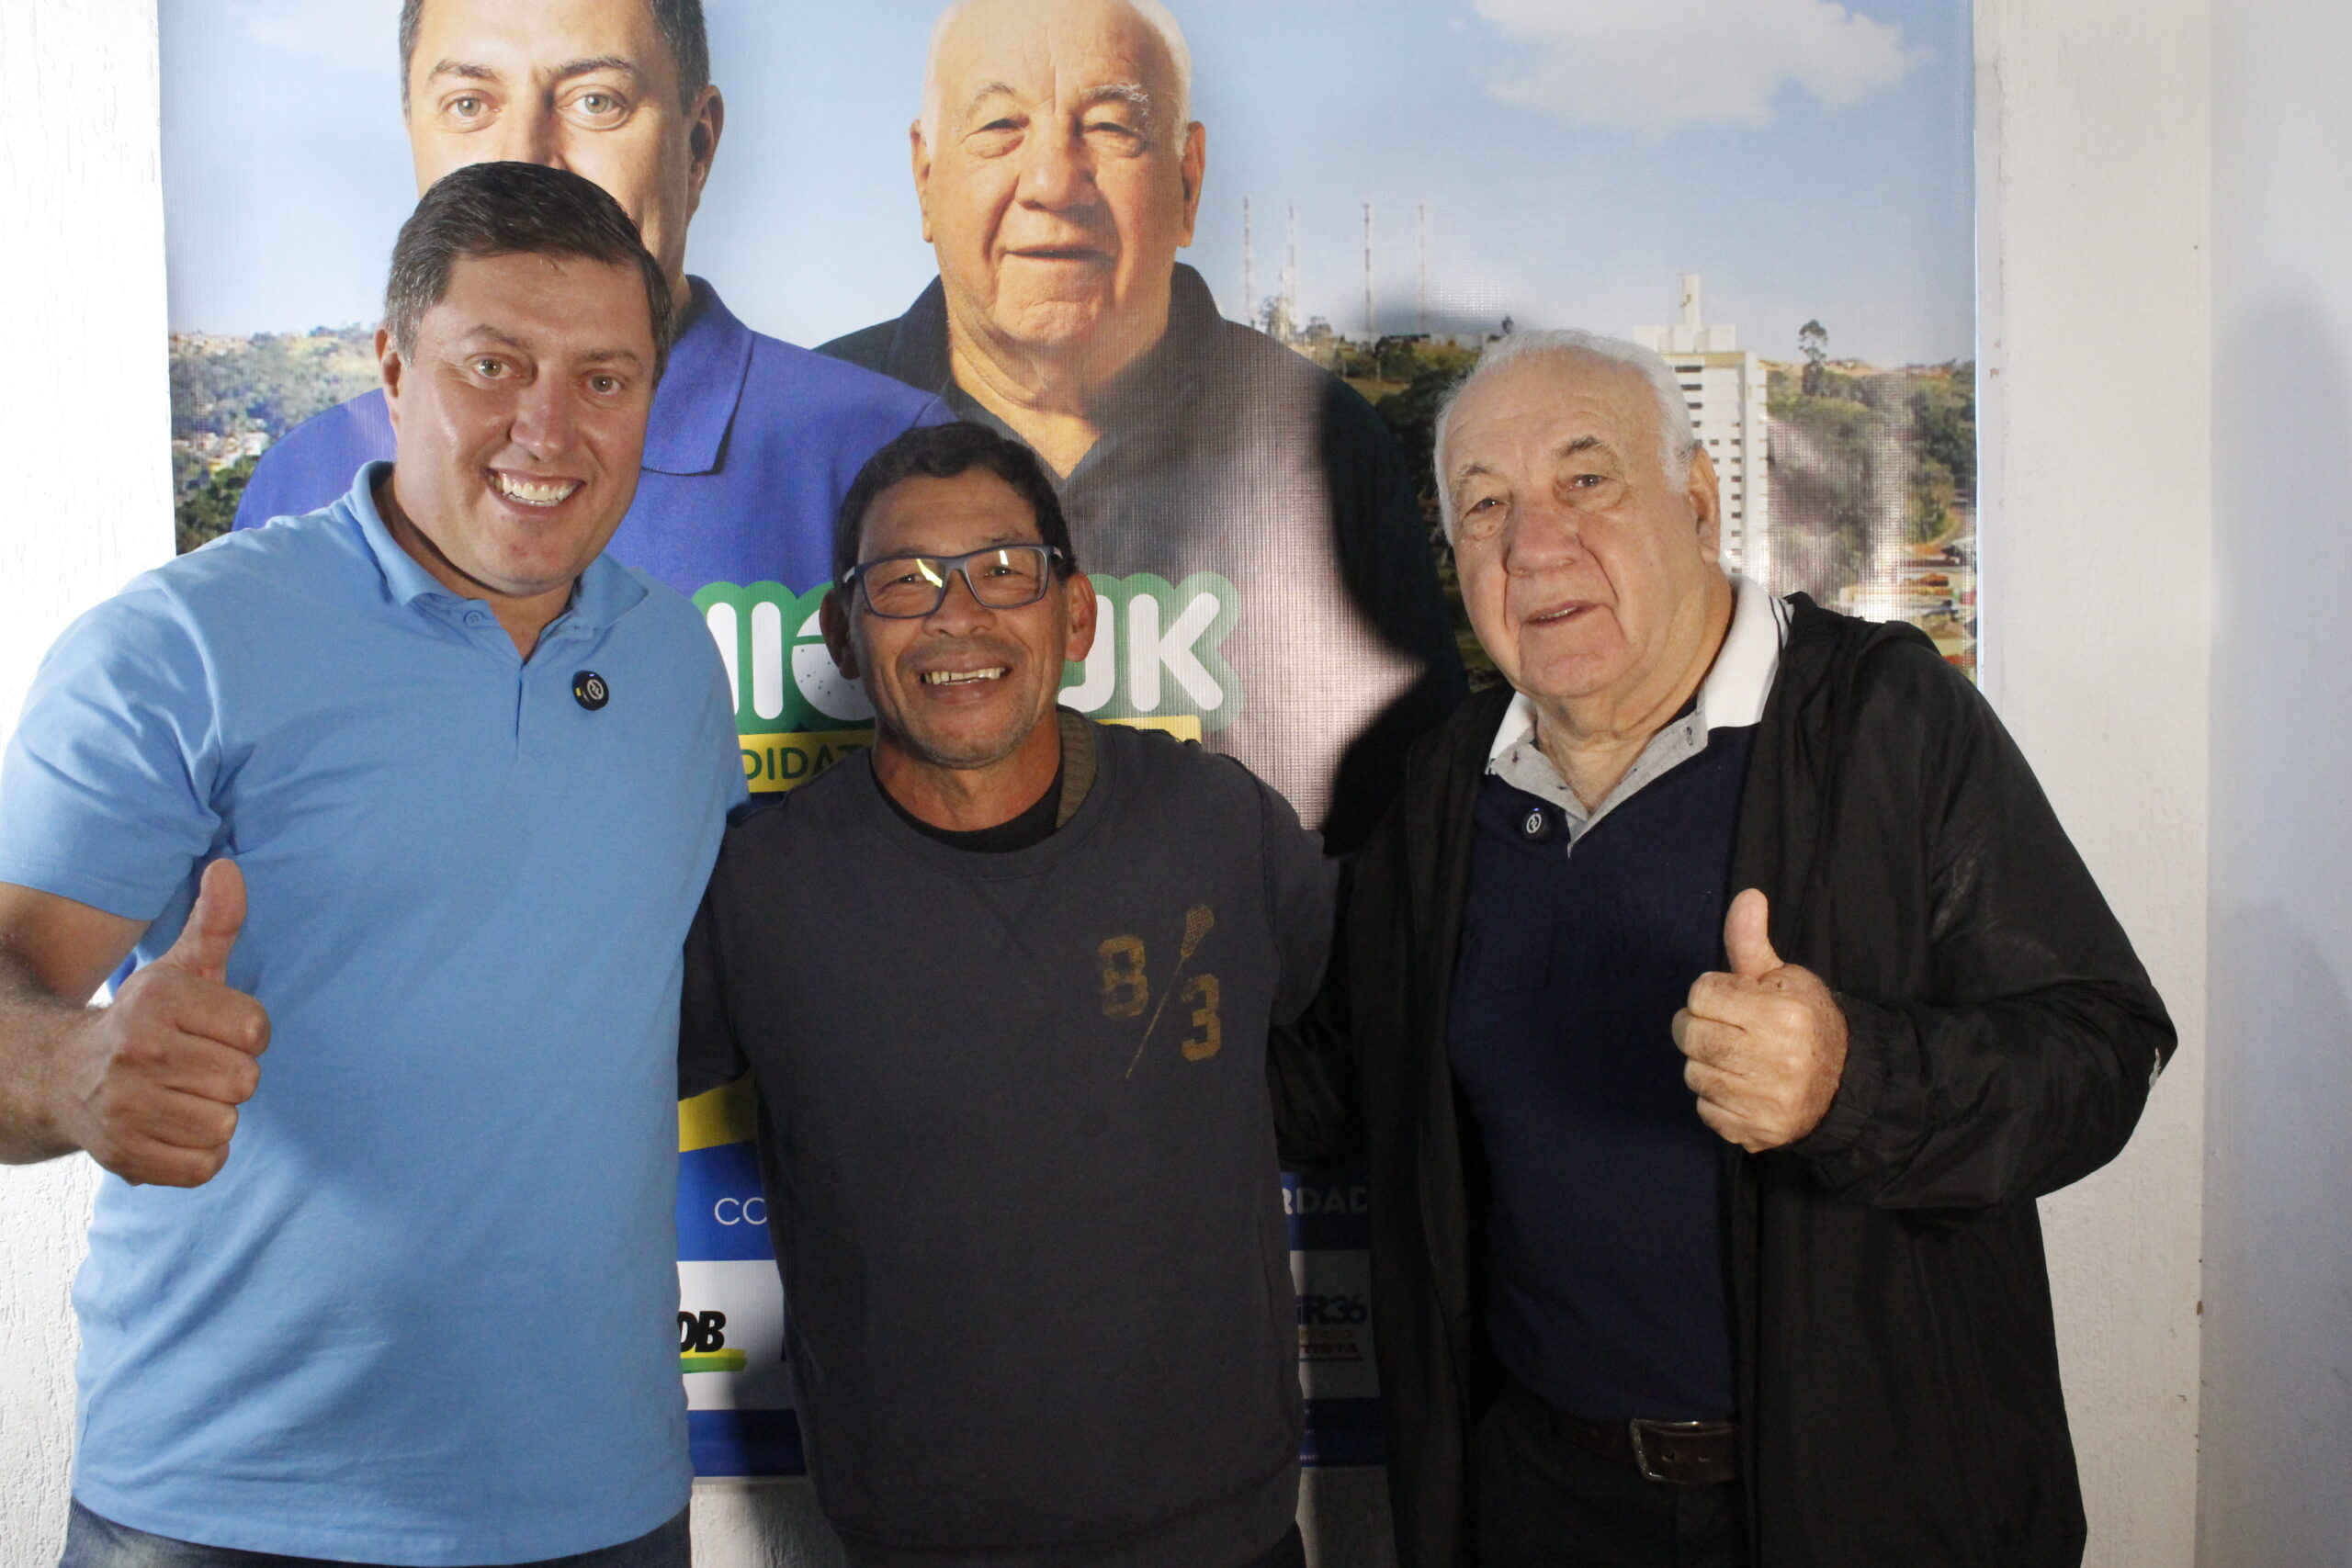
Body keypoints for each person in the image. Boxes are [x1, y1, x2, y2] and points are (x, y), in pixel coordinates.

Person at [1272, 330, 2177, 1567]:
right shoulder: (1441, 787)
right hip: (1543, 1498)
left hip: (1863, 1503)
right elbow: (1332, 1079)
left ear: (1697, 502)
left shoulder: (1881, 717)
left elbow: (2100, 1048)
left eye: (1586, 480)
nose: (1533, 544)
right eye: (1484, 505)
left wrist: (1854, 1078)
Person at [0, 163, 741, 1567]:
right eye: (493, 365)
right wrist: (72, 1068)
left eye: (604, 379)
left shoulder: (673, 662)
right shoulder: (179, 645)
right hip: (226, 1507)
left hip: (604, 1500)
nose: (548, 428)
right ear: (394, 369)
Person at [680, 421, 1334, 1568]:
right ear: (841, 634)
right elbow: (553, 1091)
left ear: (1075, 616)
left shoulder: (1218, 825)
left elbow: (1399, 1035)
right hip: (918, 1542)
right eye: (904, 582)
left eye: (1003, 571)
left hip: (1222, 1534)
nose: (958, 616)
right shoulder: (757, 887)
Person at [821, 0, 1463, 851]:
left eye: (1112, 128)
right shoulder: (810, 428)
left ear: (1188, 179)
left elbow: (1417, 835)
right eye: (1001, 127)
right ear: (925, 176)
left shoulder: (1323, 442)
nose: (1053, 183)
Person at [234, 0, 942, 608]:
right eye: (469, 104)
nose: (524, 162)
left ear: (697, 147)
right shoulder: (301, 484)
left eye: (596, 101)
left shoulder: (892, 452)